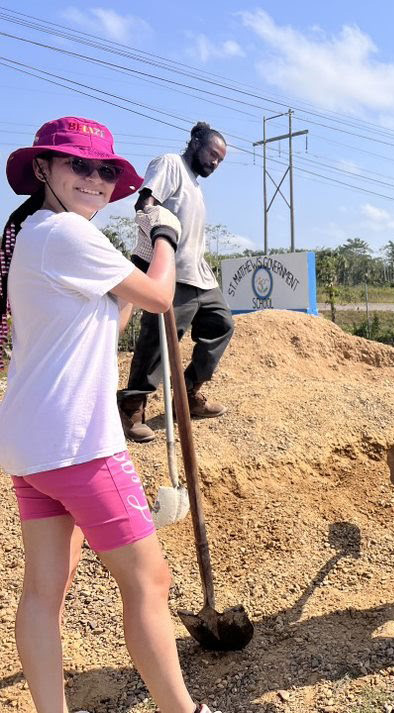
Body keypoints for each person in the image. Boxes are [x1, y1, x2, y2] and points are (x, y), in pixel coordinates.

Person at [0, 117, 214, 713]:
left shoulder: (37, 235)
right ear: (42, 168)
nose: (94, 179)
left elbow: (107, 324)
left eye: (103, 170)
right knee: (149, 583)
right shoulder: (67, 233)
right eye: (78, 165)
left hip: (31, 447)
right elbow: (164, 298)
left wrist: (139, 263)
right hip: (81, 445)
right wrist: (165, 240)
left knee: (44, 593)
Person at [117, 121, 233, 443]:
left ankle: (190, 391)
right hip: (171, 274)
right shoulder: (171, 164)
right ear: (196, 142)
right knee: (157, 341)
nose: (215, 163)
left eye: (220, 160)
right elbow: (145, 205)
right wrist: (153, 242)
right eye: (213, 154)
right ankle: (131, 407)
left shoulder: (195, 185)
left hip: (199, 274)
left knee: (221, 324)